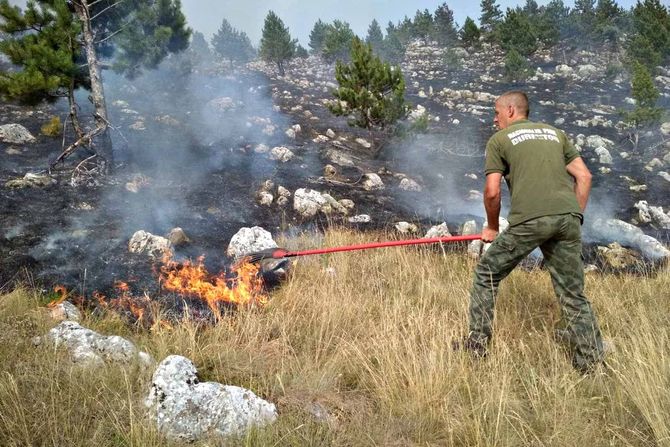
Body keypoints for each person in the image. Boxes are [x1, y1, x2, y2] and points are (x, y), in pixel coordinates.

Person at [464, 90, 604, 373]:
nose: (495, 119)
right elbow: (585, 176)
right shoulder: (555, 134)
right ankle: (590, 364)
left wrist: (491, 227)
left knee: (485, 275)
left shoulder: (499, 140)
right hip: (567, 219)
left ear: (511, 111)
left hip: (530, 221)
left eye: (497, 112)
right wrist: (573, 216)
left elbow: (492, 193)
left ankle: (476, 346)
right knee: (572, 293)